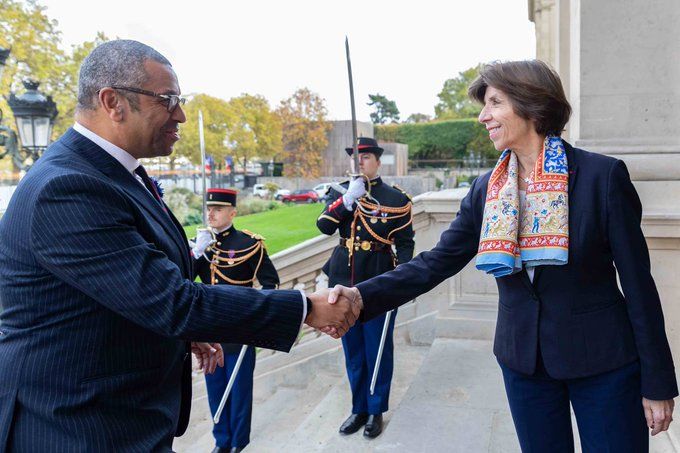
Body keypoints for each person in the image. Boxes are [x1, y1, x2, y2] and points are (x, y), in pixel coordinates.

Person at [0, 40, 359, 452]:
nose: (181, 115)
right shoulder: (67, 188)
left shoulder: (108, 173)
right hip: (78, 428)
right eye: (167, 100)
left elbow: (118, 291)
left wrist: (181, 335)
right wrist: (306, 308)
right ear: (113, 102)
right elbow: (171, 301)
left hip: (118, 418)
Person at [327, 60, 677, 452]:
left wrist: (658, 381)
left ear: (532, 105)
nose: (483, 116)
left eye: (494, 103)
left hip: (604, 364)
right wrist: (361, 297)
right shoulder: (485, 190)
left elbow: (638, 284)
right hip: (523, 363)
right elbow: (436, 262)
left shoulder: (602, 177)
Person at [316, 137, 414, 438]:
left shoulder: (395, 199)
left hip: (378, 284)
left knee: (378, 349)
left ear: (377, 161)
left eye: (365, 157)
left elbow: (406, 244)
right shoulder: (341, 193)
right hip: (343, 282)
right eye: (355, 158)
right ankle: (358, 408)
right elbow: (324, 226)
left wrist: (400, 282)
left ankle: (376, 410)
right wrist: (347, 201)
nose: (359, 163)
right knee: (353, 351)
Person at [191, 188, 279, 453]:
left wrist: (258, 313)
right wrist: (196, 253)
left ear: (233, 212)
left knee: (240, 390)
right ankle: (222, 440)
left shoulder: (249, 244)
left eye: (217, 209)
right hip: (211, 327)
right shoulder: (202, 244)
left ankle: (238, 443)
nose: (211, 213)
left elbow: (270, 282)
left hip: (240, 327)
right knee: (215, 385)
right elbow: (183, 279)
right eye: (209, 209)